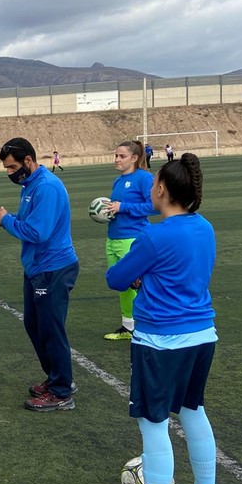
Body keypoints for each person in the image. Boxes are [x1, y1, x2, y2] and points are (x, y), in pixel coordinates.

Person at [107, 154, 218, 484]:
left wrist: (141, 279)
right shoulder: (205, 227)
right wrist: (150, 280)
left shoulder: (155, 234)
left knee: (153, 423)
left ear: (163, 190)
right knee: (192, 409)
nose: (151, 187)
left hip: (161, 341)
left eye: (155, 183)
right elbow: (185, 275)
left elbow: (116, 278)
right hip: (203, 335)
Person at [0, 138, 79, 412]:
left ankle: (62, 391)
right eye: (6, 167)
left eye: (12, 166)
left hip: (53, 268)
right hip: (37, 268)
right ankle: (56, 379)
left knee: (51, 329)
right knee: (35, 325)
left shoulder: (47, 188)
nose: (9, 172)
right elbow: (29, 223)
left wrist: (6, 220)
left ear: (28, 160)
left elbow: (38, 233)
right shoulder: (31, 186)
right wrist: (7, 217)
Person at [103, 141, 156, 341]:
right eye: (115, 155)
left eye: (121, 156)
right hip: (113, 238)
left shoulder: (144, 178)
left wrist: (123, 207)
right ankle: (128, 327)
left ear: (134, 158)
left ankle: (147, 326)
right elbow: (119, 207)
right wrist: (106, 212)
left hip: (133, 239)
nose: (117, 159)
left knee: (139, 285)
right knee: (122, 285)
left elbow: (154, 206)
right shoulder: (118, 181)